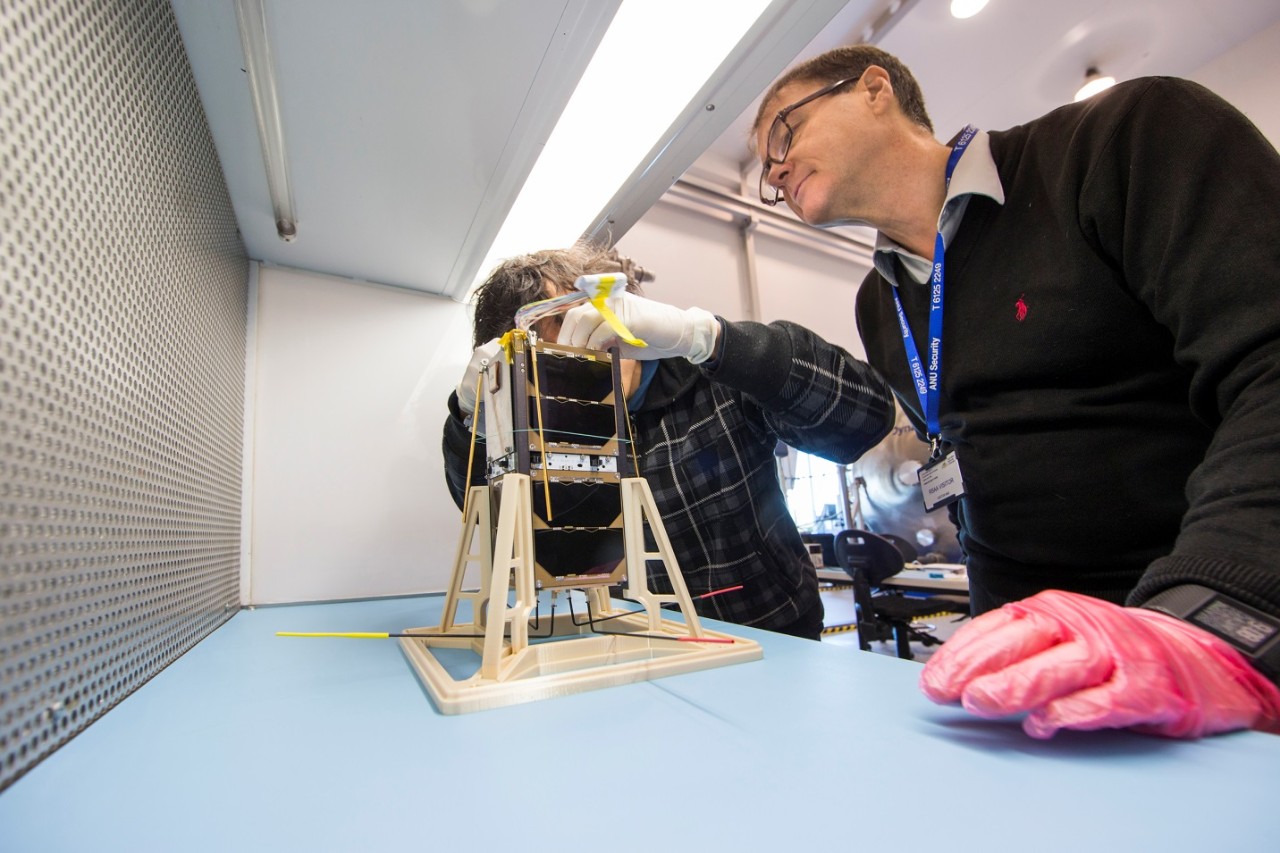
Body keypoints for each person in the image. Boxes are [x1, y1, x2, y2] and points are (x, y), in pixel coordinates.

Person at [752, 45, 1280, 737]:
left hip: (1209, 626)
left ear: (874, 89)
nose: (775, 169)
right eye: (764, 167)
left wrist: (1211, 615)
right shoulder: (878, 305)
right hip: (1042, 664)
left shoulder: (1125, 139)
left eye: (783, 135)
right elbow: (973, 464)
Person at [442, 242, 895, 640]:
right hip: (629, 642)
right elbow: (498, 523)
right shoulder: (548, 425)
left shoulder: (712, 382)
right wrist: (474, 420)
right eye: (537, 344)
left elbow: (864, 418)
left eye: (570, 319)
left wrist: (711, 339)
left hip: (773, 637)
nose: (567, 352)